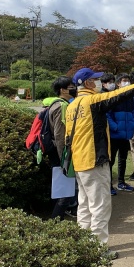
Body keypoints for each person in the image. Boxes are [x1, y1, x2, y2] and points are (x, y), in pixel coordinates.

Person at [65, 67, 134, 256]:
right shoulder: (92, 100)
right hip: (94, 160)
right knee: (100, 205)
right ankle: (98, 249)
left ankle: (82, 245)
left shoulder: (71, 105)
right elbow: (120, 94)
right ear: (87, 84)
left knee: (84, 205)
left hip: (78, 162)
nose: (99, 83)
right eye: (95, 80)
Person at [49, 76, 77, 220]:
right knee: (64, 191)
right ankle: (55, 222)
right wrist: (64, 160)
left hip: (55, 152)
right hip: (61, 154)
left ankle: (57, 218)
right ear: (62, 90)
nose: (74, 88)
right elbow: (60, 135)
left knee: (60, 190)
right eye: (70, 86)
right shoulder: (61, 106)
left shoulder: (53, 104)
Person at [107, 73, 134, 193]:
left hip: (126, 135)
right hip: (115, 135)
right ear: (118, 83)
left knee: (123, 159)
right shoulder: (113, 96)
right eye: (124, 81)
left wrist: (133, 126)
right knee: (111, 160)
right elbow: (107, 114)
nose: (126, 83)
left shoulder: (129, 97)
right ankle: (108, 185)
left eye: (128, 81)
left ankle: (121, 182)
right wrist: (115, 127)